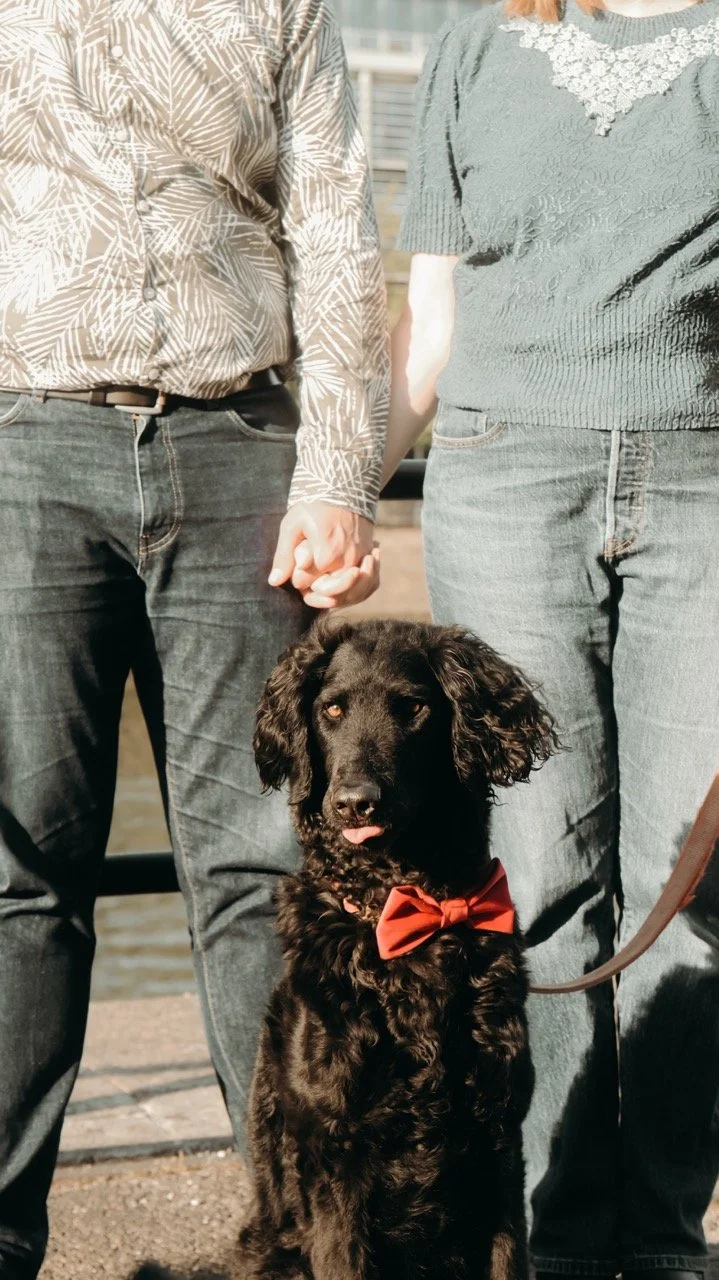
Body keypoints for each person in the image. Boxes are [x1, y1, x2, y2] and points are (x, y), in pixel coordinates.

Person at [0, 1, 387, 1275]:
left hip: (241, 449)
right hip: (22, 446)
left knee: (260, 872)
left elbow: (331, 220)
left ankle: (297, 1243)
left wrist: (337, 472)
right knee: (17, 879)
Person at [385, 0, 719, 1277]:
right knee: (539, 877)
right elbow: (430, 318)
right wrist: (340, 495)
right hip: (500, 478)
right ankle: (561, 1238)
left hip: (700, 484)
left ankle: (663, 1238)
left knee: (690, 890)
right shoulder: (472, 45)